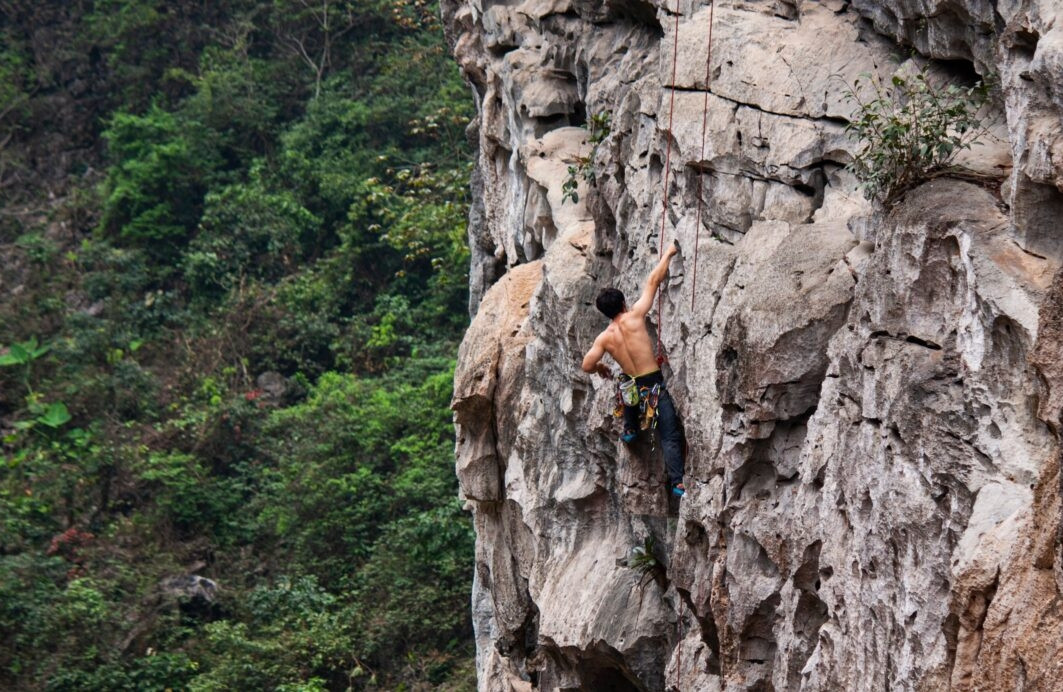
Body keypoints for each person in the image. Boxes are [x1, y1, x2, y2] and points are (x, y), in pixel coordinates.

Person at [581, 242, 686, 497]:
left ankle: (630, 427)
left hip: (633, 391)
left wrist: (601, 366)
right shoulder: (635, 316)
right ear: (624, 302)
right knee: (669, 434)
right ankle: (677, 482)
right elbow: (653, 281)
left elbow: (586, 365)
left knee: (625, 381)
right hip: (653, 386)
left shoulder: (605, 338)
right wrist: (669, 253)